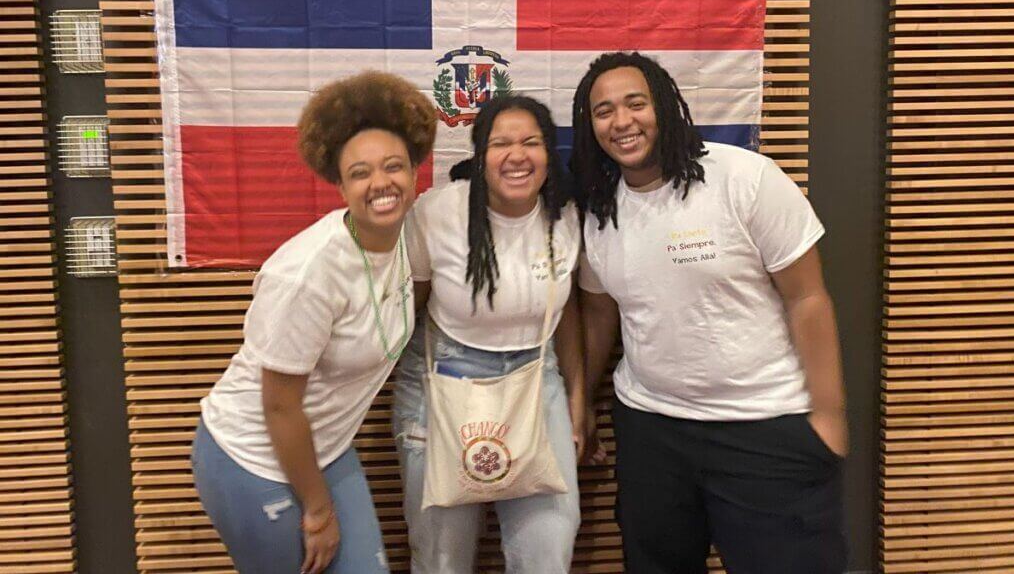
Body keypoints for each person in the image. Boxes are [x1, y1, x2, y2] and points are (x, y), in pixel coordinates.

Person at [572, 52, 847, 574]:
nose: (622, 121)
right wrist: (581, 399)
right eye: (604, 111)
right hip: (652, 431)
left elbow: (808, 298)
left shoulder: (744, 178)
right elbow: (600, 314)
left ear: (665, 105)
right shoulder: (600, 210)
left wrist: (829, 415)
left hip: (762, 425)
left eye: (636, 103)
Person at [190, 72, 437, 574]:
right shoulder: (306, 274)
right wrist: (318, 510)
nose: (381, 183)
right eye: (360, 173)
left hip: (328, 448)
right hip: (252, 457)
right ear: (341, 185)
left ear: (415, 172)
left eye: (393, 166)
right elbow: (279, 405)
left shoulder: (405, 238)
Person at [392, 94, 585, 573]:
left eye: (531, 142)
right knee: (443, 556)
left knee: (549, 546)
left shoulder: (565, 214)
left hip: (537, 380)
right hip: (444, 380)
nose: (517, 155)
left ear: (548, 153)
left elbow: (568, 313)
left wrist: (578, 403)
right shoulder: (438, 212)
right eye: (500, 144)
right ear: (480, 156)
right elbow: (409, 304)